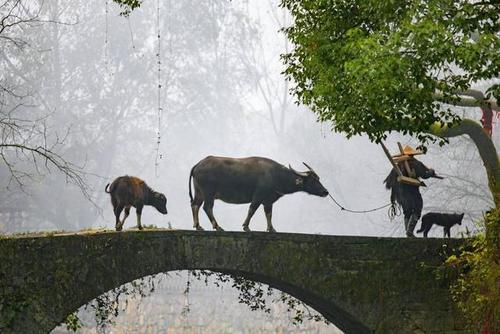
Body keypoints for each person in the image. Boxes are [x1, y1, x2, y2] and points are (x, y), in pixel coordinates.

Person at [383, 146, 443, 237]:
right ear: (412, 154)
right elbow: (424, 175)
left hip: (400, 194)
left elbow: (390, 184)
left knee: (407, 212)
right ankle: (409, 231)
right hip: (412, 192)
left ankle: (408, 232)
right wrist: (431, 172)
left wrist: (392, 198)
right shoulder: (415, 163)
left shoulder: (398, 165)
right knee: (417, 209)